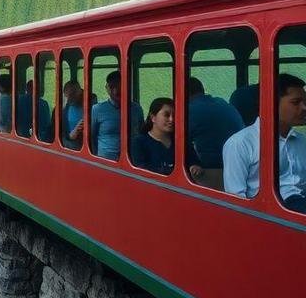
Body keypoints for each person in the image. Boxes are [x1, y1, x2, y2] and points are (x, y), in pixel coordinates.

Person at [222, 73, 306, 213]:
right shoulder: (240, 143)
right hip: (270, 214)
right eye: (296, 102)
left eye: (305, 102)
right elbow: (236, 199)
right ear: (271, 102)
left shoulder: (302, 141)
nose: (304, 108)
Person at [186, 77, 245, 183]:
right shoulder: (222, 102)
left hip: (213, 170)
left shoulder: (190, 110)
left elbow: (175, 139)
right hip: (240, 166)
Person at [131, 97, 203, 178]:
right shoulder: (139, 143)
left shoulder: (181, 141)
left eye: (174, 115)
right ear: (153, 117)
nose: (171, 119)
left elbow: (195, 162)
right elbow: (141, 171)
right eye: (166, 115)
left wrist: (195, 167)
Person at [87, 71, 142, 161]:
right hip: (106, 162)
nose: (115, 91)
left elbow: (140, 131)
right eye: (112, 87)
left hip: (133, 161)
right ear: (106, 88)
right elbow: (91, 137)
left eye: (119, 86)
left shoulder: (136, 109)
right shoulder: (97, 109)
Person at [62, 80, 84, 149]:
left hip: (84, 147)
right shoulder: (65, 108)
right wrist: (69, 136)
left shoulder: (90, 106)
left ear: (80, 91)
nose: (68, 99)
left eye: (71, 95)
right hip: (67, 144)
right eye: (67, 96)